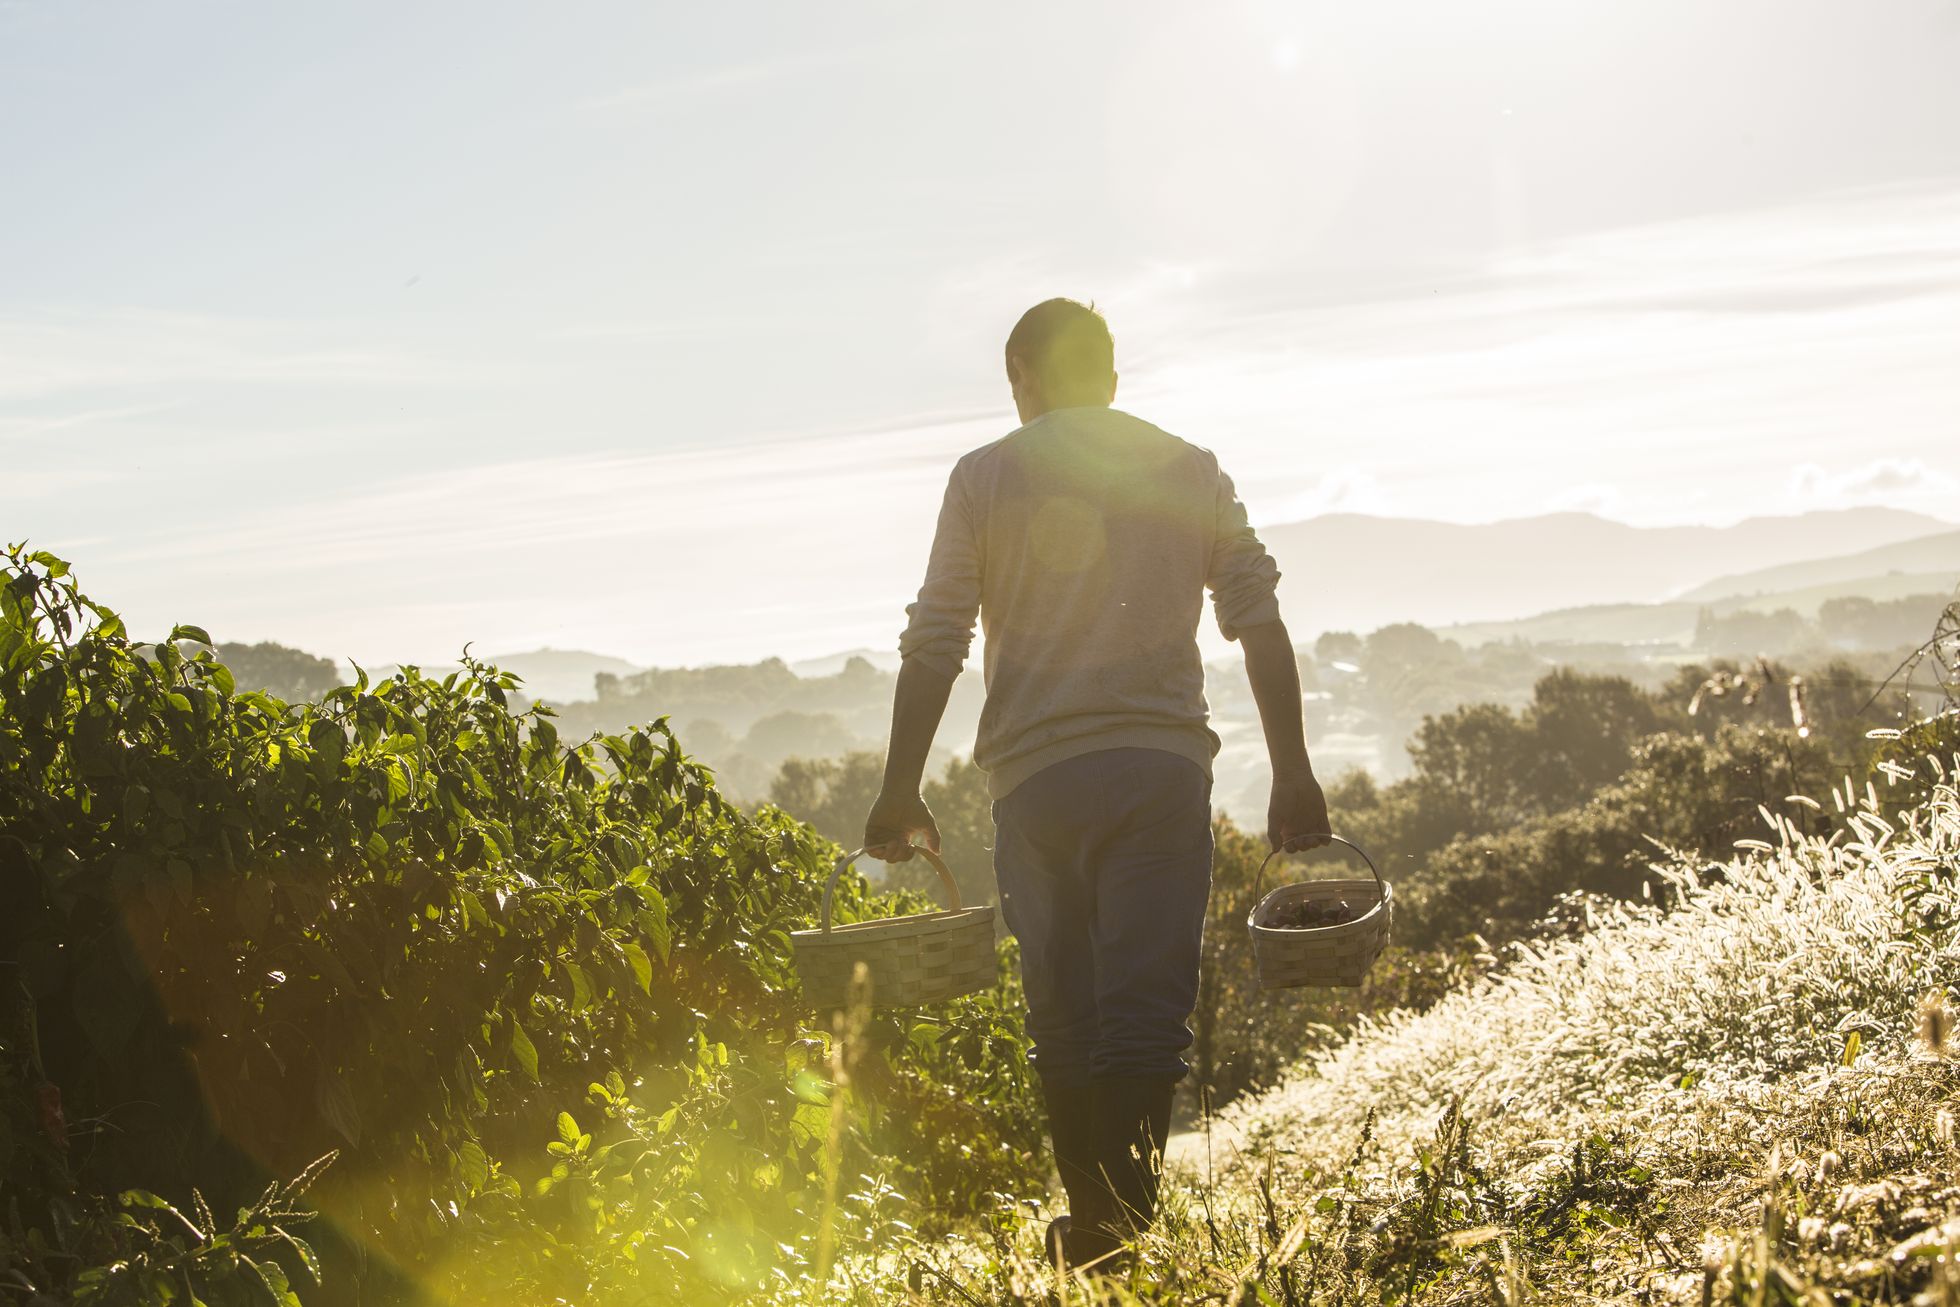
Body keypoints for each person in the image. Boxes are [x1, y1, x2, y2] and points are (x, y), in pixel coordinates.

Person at [861, 297, 1330, 1272]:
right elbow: (1256, 614)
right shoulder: (1187, 465)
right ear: (1111, 375)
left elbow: (936, 634)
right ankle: (1117, 1234)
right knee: (1144, 1011)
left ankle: (1096, 1231)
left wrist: (900, 784)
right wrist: (1290, 767)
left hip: (1034, 785)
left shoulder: (981, 477)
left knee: (1062, 1015)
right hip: (1158, 771)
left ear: (1018, 375)